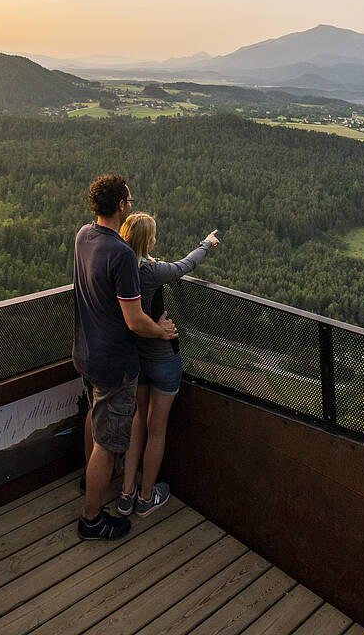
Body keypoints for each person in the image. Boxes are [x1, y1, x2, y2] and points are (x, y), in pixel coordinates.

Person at [73, 175, 179, 540]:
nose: (131, 203)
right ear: (121, 206)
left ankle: (87, 483)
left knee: (93, 416)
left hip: (84, 352)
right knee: (107, 443)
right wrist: (162, 331)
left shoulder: (84, 236)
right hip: (114, 363)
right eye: (129, 199)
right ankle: (91, 518)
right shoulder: (121, 253)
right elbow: (135, 321)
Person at [116, 213, 219, 517]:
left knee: (137, 423)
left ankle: (125, 494)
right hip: (162, 357)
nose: (156, 239)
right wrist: (207, 243)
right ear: (146, 241)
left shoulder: (119, 268)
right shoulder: (152, 271)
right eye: (153, 235)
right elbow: (185, 265)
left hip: (137, 357)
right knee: (156, 430)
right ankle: (147, 498)